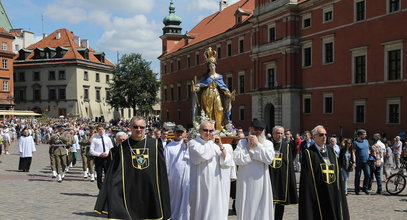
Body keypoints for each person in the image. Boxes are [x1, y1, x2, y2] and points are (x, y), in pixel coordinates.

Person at [94, 116, 171, 220]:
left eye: (141, 127)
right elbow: (114, 173)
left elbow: (161, 171)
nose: (139, 130)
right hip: (130, 191)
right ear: (130, 128)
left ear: (145, 128)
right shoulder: (122, 147)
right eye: (135, 127)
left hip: (151, 190)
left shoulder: (155, 144)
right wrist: (112, 193)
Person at [299, 125, 349, 220]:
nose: (325, 137)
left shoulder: (332, 152)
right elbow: (307, 179)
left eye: (326, 134)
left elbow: (337, 173)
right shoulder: (309, 153)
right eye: (321, 135)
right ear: (314, 137)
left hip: (333, 190)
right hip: (319, 192)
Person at [189, 121, 233, 220]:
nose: (208, 133)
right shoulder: (193, 143)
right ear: (199, 131)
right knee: (201, 211)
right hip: (201, 186)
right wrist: (211, 143)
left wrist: (221, 146)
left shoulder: (215, 144)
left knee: (216, 211)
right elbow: (202, 155)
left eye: (210, 130)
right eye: (205, 130)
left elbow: (226, 162)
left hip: (216, 185)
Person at [233, 120, 275, 220]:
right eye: (255, 129)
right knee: (245, 205)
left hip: (261, 182)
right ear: (250, 129)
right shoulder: (242, 143)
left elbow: (269, 159)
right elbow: (237, 160)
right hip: (245, 182)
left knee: (261, 207)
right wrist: (248, 148)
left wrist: (257, 145)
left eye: (260, 130)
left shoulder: (267, 143)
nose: (257, 132)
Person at [193, 47, 235, 131]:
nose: (212, 67)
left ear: (215, 66)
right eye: (210, 65)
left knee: (220, 109)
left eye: (213, 65)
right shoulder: (205, 77)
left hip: (216, 94)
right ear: (208, 67)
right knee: (208, 112)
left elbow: (223, 87)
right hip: (207, 95)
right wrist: (196, 88)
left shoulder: (219, 76)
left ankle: (219, 128)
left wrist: (228, 94)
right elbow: (200, 85)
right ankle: (208, 129)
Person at [269, 126, 298, 220]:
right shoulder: (268, 145)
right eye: (278, 133)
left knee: (281, 202)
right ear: (273, 133)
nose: (280, 135)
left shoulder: (286, 145)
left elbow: (289, 162)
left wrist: (291, 179)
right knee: (269, 202)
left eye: (282, 133)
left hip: (282, 178)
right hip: (270, 177)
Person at [164, 125, 190, 220]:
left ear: (185, 133)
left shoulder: (189, 145)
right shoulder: (168, 147)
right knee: (175, 200)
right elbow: (166, 163)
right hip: (174, 178)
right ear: (174, 133)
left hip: (188, 177)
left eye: (181, 132)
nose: (179, 134)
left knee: (187, 201)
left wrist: (187, 146)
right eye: (177, 132)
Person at [89, 124, 114, 189]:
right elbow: (91, 151)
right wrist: (99, 154)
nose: (101, 131)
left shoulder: (108, 138)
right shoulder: (95, 139)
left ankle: (107, 189)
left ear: (104, 130)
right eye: (99, 129)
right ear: (97, 131)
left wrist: (107, 153)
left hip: (107, 158)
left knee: (108, 175)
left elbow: (111, 148)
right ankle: (100, 189)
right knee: (99, 175)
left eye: (102, 129)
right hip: (98, 159)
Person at [353, 129, 371, 195]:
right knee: (358, 176)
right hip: (358, 162)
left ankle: (365, 188)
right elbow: (353, 152)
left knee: (368, 174)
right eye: (364, 134)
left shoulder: (366, 141)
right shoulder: (355, 142)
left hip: (366, 162)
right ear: (360, 135)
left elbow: (368, 150)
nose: (366, 135)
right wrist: (354, 162)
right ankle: (357, 189)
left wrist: (370, 157)